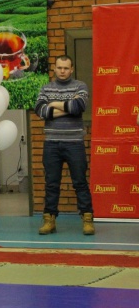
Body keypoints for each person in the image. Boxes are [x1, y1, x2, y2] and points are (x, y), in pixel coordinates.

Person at [34, 55, 95, 235]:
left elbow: (78, 106)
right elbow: (41, 111)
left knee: (80, 182)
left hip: (74, 143)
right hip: (51, 143)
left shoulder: (80, 86)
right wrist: (67, 107)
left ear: (71, 69)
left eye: (66, 68)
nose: (62, 71)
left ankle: (87, 220)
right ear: (54, 68)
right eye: (59, 67)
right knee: (51, 184)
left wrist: (53, 105)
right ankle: (49, 220)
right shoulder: (45, 88)